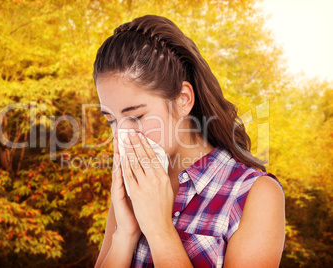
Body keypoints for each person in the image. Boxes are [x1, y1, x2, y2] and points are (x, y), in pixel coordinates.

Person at [92, 14, 285, 268]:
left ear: (183, 99)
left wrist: (160, 229)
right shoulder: (133, 187)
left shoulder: (255, 195)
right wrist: (124, 235)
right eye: (112, 120)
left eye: (136, 116)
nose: (121, 137)